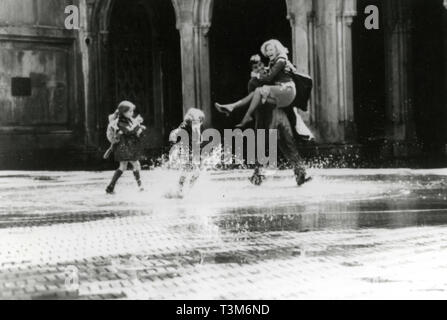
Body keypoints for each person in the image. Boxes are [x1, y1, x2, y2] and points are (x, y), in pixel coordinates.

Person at [215, 39, 296, 128]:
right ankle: (232, 107)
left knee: (258, 91)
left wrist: (257, 75)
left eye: (271, 50)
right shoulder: (271, 64)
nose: (269, 52)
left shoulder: (280, 60)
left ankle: (246, 116)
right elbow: (254, 93)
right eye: (267, 50)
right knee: (255, 95)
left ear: (276, 49)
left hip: (285, 92)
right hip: (274, 98)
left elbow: (269, 77)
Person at [105, 101, 146, 194]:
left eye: (132, 111)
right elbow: (128, 131)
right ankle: (140, 186)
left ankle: (110, 186)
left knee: (123, 167)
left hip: (124, 147)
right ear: (123, 112)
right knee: (136, 165)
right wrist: (137, 125)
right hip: (125, 148)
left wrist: (138, 126)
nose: (132, 113)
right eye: (130, 111)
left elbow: (133, 129)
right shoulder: (120, 122)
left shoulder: (127, 120)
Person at [166, 108, 205, 199]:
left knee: (196, 171)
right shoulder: (186, 124)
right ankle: (180, 189)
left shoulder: (197, 127)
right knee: (187, 170)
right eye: (199, 120)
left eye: (201, 121)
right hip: (185, 150)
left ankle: (188, 189)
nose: (200, 123)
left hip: (193, 151)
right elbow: (178, 130)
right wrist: (174, 134)